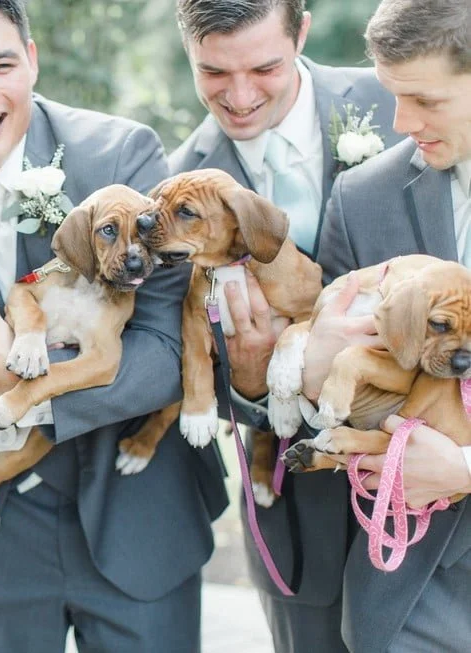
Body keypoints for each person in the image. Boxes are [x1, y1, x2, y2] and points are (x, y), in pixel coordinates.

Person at [0, 1, 228, 651]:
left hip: (139, 519)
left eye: (1, 64)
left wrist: (29, 391)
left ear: (31, 62)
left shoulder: (124, 154)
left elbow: (168, 344)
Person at [170, 1, 404, 650]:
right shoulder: (176, 182)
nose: (240, 97)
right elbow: (177, 351)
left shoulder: (400, 104)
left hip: (431, 482)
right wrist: (244, 383)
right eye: (213, 71)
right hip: (297, 508)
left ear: (301, 31)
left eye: (265, 66)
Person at [300, 0, 471, 649]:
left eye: (424, 99)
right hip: (409, 600)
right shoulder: (362, 197)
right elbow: (327, 397)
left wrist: (464, 464)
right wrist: (312, 367)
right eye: (393, 95)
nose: (401, 122)